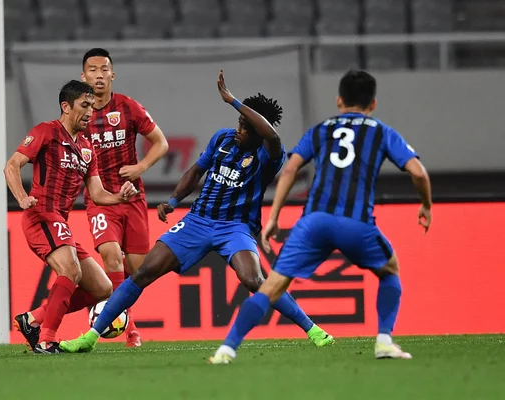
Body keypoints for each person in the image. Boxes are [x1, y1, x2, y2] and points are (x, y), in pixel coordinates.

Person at [59, 69, 334, 354]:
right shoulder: (223, 140)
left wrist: (234, 101)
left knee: (254, 280)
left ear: (256, 131)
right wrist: (174, 201)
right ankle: (90, 337)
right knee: (143, 273)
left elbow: (273, 137)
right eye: (238, 124)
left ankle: (314, 330)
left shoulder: (268, 155)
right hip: (197, 222)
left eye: (244, 126)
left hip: (235, 227)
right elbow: (196, 171)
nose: (238, 130)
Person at [208, 70, 432, 364]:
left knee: (272, 286)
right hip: (356, 222)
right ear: (373, 104)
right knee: (389, 270)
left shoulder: (321, 129)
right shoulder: (380, 131)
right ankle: (384, 342)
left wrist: (274, 216)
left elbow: (290, 170)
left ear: (339, 101)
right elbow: (418, 172)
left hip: (313, 222)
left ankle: (227, 349)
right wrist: (426, 206)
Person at [4, 80, 138, 354]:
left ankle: (33, 320)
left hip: (59, 223)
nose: (90, 112)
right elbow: (12, 165)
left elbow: (98, 193)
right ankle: (47, 339)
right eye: (84, 105)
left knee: (102, 287)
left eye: (92, 106)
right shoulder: (46, 132)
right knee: (71, 270)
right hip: (40, 215)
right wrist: (21, 197)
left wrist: (120, 197)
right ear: (66, 106)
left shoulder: (87, 148)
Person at [80, 48, 169, 347]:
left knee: (138, 267)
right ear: (84, 76)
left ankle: (117, 312)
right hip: (99, 200)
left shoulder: (127, 107)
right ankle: (129, 330)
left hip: (132, 199)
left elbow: (161, 143)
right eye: (92, 70)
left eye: (104, 69)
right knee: (111, 255)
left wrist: (141, 167)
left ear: (112, 74)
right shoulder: (79, 115)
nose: (99, 75)